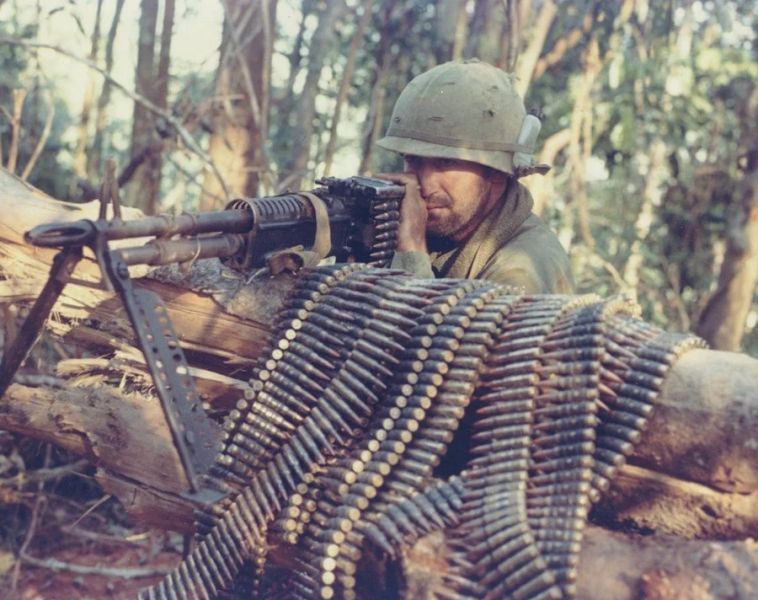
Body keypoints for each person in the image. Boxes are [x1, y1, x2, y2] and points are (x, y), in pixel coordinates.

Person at [376, 59, 574, 294]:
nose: (425, 185)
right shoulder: (442, 228)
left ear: (497, 173)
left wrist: (411, 254)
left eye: (446, 162)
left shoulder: (522, 267)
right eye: (413, 159)